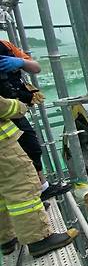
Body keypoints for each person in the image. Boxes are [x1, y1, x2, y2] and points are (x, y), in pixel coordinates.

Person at [0, 95, 78, 257]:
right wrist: (20, 105)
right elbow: (4, 106)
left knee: (2, 190)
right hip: (3, 149)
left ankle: (6, 238)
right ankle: (39, 239)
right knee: (21, 184)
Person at [0, 27, 68, 200]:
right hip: (8, 110)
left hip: (13, 110)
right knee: (19, 154)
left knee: (30, 147)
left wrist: (20, 62)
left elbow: (35, 67)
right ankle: (34, 191)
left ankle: (41, 188)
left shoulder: (5, 46)